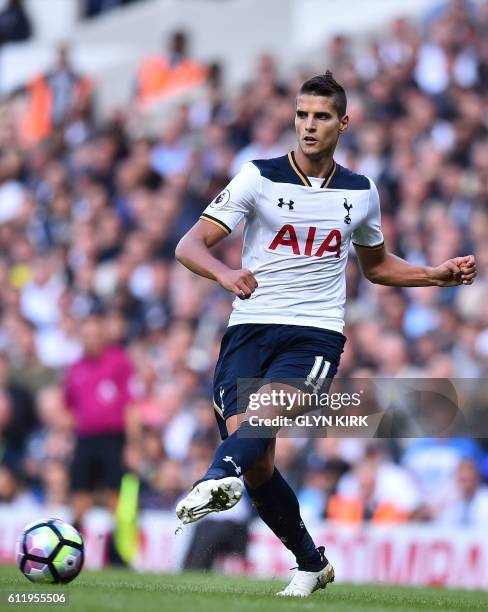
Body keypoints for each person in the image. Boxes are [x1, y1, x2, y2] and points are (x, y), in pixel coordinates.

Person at [174, 71, 477, 598]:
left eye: (320, 117)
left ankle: (211, 476)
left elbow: (377, 266)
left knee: (266, 416)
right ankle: (311, 562)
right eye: (301, 115)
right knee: (259, 459)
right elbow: (189, 245)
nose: (308, 126)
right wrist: (224, 274)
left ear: (343, 123)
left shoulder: (360, 191)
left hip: (315, 333)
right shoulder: (259, 176)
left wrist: (433, 274)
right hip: (250, 326)